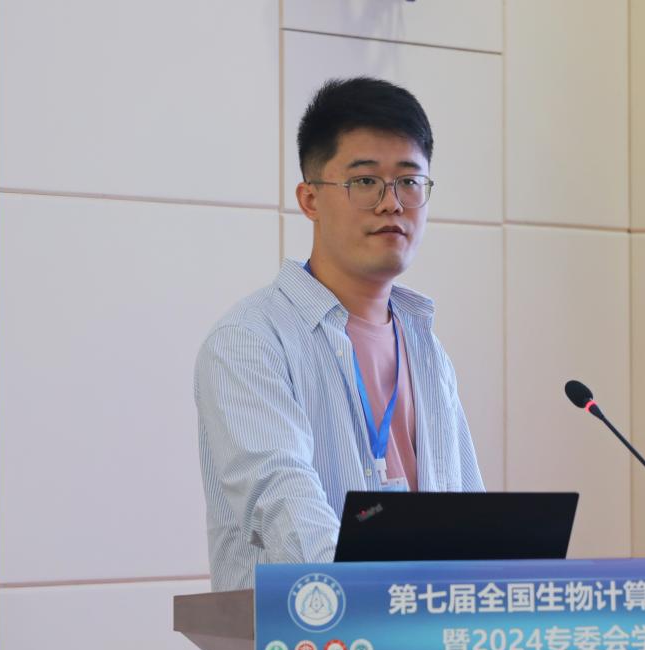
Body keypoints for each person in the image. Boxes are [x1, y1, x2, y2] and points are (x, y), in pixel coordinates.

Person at [195, 77, 484, 593]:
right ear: (309, 199)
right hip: (313, 634)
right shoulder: (251, 341)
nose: (392, 203)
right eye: (365, 181)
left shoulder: (425, 347)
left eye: (409, 181)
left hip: (425, 636)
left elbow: (469, 522)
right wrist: (372, 600)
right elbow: (283, 505)